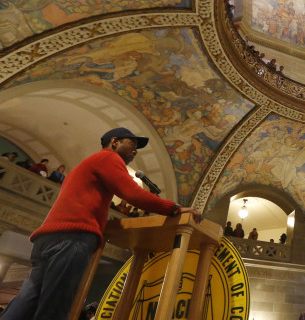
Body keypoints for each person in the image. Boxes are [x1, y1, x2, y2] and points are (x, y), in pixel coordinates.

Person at [2, 127, 202, 320]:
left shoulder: (85, 164)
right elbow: (132, 193)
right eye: (132, 144)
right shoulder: (108, 157)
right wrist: (173, 208)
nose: (135, 150)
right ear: (114, 142)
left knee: (27, 300)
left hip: (49, 238)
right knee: (56, 306)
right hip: (73, 237)